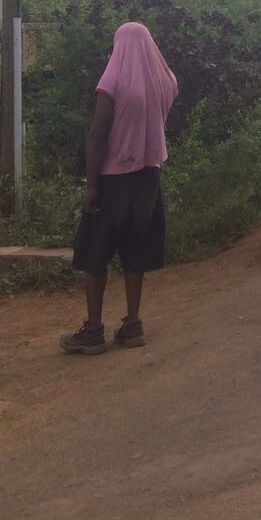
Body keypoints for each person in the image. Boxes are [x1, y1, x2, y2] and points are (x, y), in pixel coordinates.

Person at [61, 22, 179, 354]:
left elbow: (98, 136)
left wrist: (91, 187)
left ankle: (94, 330)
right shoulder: (166, 81)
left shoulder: (113, 81)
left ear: (119, 45)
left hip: (113, 179)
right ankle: (132, 324)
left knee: (95, 252)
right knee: (135, 249)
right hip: (148, 177)